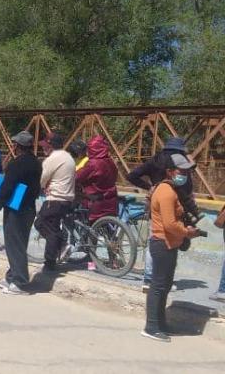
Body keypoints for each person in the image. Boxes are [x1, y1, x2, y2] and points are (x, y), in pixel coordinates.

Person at [126, 137, 203, 292]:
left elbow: (131, 176)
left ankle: (150, 279)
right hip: (176, 204)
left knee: (154, 239)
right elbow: (192, 165)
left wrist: (150, 187)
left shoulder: (155, 161)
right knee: (171, 240)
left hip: (156, 204)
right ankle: (159, 279)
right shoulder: (179, 162)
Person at [142, 154, 201, 342]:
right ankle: (151, 326)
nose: (185, 174)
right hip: (163, 243)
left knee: (164, 286)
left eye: (186, 171)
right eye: (181, 171)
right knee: (158, 286)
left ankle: (160, 323)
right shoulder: (166, 192)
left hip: (168, 244)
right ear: (169, 171)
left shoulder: (170, 189)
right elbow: (169, 225)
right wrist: (188, 232)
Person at [0, 131, 42, 295]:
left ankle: (20, 282)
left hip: (15, 209)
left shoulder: (16, 164)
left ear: (17, 146)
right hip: (29, 208)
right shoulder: (36, 163)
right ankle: (11, 276)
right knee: (19, 243)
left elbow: (6, 188)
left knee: (15, 245)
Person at [34, 133, 76, 272]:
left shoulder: (52, 159)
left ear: (51, 146)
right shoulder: (68, 157)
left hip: (55, 199)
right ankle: (61, 246)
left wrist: (40, 188)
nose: (44, 149)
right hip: (67, 199)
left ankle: (52, 259)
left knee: (42, 225)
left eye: (45, 146)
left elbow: (40, 180)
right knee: (54, 228)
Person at [76, 135, 118, 223]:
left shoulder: (93, 164)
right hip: (111, 202)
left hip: (95, 203)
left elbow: (77, 177)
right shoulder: (111, 162)